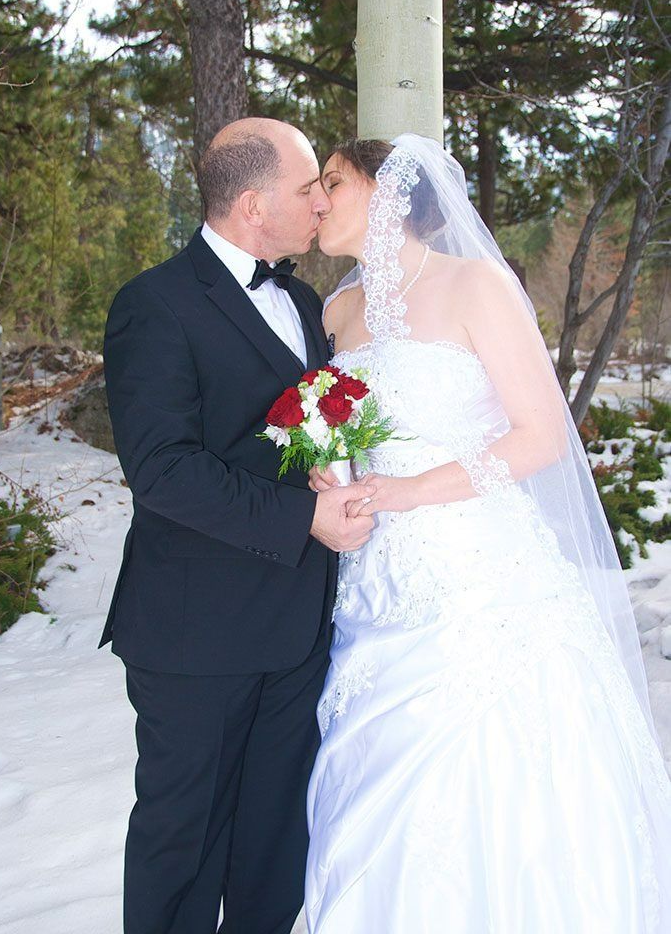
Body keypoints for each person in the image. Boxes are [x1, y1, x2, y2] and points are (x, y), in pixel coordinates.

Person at [304, 134, 671, 933]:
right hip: (376, 586)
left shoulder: (475, 286)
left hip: (480, 579)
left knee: (486, 775)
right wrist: (326, 476)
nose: (318, 198)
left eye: (332, 181)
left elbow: (538, 436)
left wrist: (407, 490)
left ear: (387, 189)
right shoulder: (337, 308)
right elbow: (335, 431)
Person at [100, 117, 375, 934]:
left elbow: (307, 433)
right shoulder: (154, 305)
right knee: (182, 847)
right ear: (254, 206)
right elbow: (163, 472)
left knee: (271, 847)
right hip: (196, 636)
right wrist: (306, 517)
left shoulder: (298, 298)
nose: (321, 203)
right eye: (306, 190)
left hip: (295, 628)